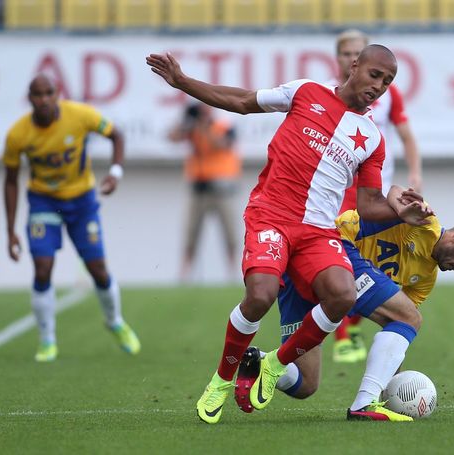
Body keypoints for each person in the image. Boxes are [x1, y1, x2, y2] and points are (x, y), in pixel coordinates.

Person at [146, 45, 434, 424]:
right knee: (260, 295)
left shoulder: (372, 137)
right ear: (354, 66)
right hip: (271, 217)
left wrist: (401, 211)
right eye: (375, 75)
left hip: (317, 231)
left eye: (388, 82)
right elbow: (243, 100)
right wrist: (183, 82)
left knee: (342, 293)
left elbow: (368, 204)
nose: (379, 86)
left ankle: (274, 365)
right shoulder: (305, 92)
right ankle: (220, 379)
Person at [234, 188, 454, 420]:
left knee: (305, 384)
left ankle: (259, 361)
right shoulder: (424, 223)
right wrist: (400, 202)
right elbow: (394, 190)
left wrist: (390, 386)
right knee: (410, 318)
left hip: (305, 279)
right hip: (331, 246)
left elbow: (396, 332)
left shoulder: (426, 278)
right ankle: (364, 404)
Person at [3, 74, 141, 362]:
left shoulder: (80, 115)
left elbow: (116, 135)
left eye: (48, 93)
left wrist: (115, 173)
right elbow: (11, 180)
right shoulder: (18, 134)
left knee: (98, 269)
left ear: (57, 94)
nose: (43, 99)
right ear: (29, 99)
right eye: (37, 95)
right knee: (42, 268)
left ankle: (115, 321)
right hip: (43, 201)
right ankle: (47, 340)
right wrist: (11, 230)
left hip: (81, 201)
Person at [330, 30, 425, 363]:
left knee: (371, 261)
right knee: (343, 260)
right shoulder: (326, 95)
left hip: (376, 194)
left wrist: (414, 174)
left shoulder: (388, 94)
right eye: (345, 53)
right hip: (338, 192)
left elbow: (407, 136)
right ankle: (342, 334)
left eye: (357, 51)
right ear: (342, 59)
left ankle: (350, 324)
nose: (350, 57)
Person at [168, 101, 241, 281]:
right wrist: (185, 122)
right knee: (191, 233)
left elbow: (221, 144)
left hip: (222, 188)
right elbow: (171, 137)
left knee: (230, 233)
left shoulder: (223, 126)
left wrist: (203, 127)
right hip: (198, 188)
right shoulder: (192, 129)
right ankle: (184, 276)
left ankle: (234, 275)